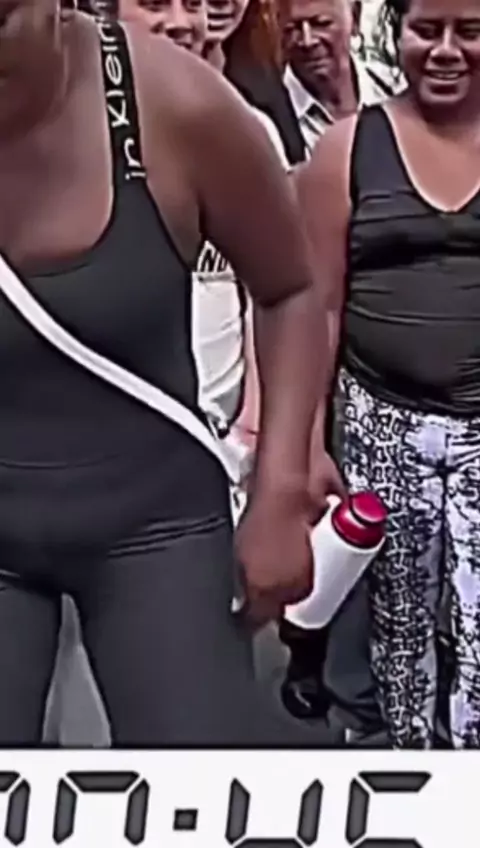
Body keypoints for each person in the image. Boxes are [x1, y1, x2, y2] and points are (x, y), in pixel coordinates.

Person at [0, 0, 335, 747]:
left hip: (156, 523)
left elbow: (290, 288)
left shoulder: (174, 104)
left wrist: (281, 491)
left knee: (193, 775)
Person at [297, 0, 480, 749]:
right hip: (380, 417)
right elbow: (315, 308)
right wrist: (306, 445)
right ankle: (405, 782)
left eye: (470, 32)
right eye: (426, 30)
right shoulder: (346, 149)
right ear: (395, 32)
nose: (446, 50)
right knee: (393, 637)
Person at [279, 0, 393, 740]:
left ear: (352, 17)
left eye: (322, 20)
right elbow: (307, 294)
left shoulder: (398, 90)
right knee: (343, 552)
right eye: (292, 26)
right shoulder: (264, 117)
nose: (308, 38)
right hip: (342, 372)